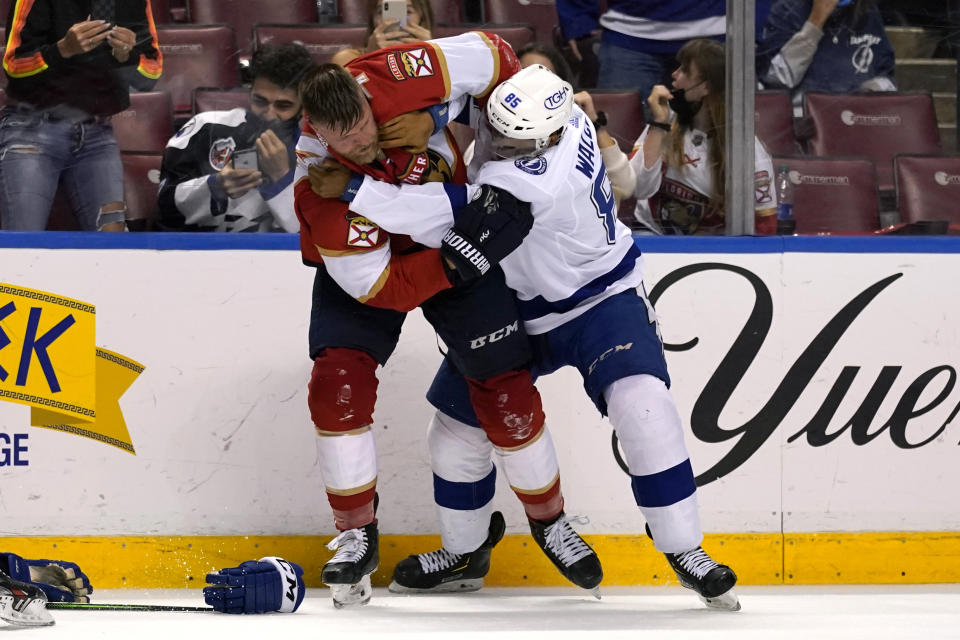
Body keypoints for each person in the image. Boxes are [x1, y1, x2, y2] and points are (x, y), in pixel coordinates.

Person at [313, 63, 741, 610]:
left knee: (644, 407)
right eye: (501, 131)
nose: (504, 145)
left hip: (597, 298)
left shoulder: (535, 177)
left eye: (520, 141)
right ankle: (465, 555)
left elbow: (446, 217)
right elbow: (481, 106)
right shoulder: (545, 114)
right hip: (516, 302)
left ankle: (686, 551)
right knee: (453, 435)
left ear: (555, 134)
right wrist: (431, 115)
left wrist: (355, 187)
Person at [292, 33, 601, 607]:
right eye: (346, 137)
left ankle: (549, 520)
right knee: (337, 381)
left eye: (365, 122)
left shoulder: (392, 75)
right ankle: (356, 533)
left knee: (505, 386)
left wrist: (435, 111)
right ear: (316, 131)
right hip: (405, 261)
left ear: (366, 95)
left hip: (457, 230)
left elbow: (500, 57)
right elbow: (388, 289)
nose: (363, 139)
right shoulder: (319, 186)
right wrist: (462, 260)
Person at [0, 0, 162, 231]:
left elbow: (152, 71)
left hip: (97, 133)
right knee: (24, 241)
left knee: (114, 250)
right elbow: (14, 64)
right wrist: (62, 50)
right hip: (31, 130)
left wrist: (128, 56)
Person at [157, 43, 313, 232]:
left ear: (303, 106)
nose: (269, 114)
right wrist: (215, 186)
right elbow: (164, 206)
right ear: (250, 90)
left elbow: (312, 236)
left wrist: (281, 177)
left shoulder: (314, 153)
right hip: (195, 253)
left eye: (283, 106)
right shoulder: (206, 126)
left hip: (274, 259)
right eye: (260, 101)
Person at [629, 38, 778, 235]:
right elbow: (638, 188)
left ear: (705, 87)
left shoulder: (748, 150)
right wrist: (658, 125)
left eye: (684, 71)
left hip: (710, 248)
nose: (674, 75)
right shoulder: (666, 120)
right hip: (651, 233)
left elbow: (764, 228)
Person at [517, 42, 636, 205]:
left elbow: (624, 186)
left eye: (543, 76)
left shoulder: (575, 130)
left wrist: (593, 125)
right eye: (524, 74)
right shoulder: (496, 129)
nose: (533, 85)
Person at [756, 0, 896, 117]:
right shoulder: (788, 10)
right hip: (805, 123)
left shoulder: (866, 11)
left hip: (858, 118)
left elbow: (887, 75)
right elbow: (775, 80)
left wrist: (873, 90)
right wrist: (815, 22)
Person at [330, 0, 434, 67]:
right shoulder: (347, 59)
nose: (394, 20)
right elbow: (348, 98)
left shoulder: (442, 54)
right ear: (373, 20)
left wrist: (433, 55)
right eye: (383, 12)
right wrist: (370, 58)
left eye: (406, 11)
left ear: (422, 18)